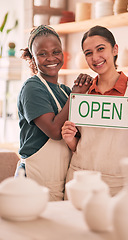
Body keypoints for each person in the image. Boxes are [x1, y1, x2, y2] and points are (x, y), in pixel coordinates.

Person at [61, 25, 128, 197]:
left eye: (100, 49)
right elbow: (81, 145)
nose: (95, 57)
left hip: (118, 184)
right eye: (88, 53)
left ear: (114, 49)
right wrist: (70, 140)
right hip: (80, 179)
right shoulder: (83, 91)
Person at [15, 25, 93, 201]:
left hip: (59, 180)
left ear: (63, 53)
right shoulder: (32, 88)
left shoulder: (65, 91)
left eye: (56, 51)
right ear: (33, 58)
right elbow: (54, 131)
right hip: (34, 181)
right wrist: (76, 97)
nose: (51, 58)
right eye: (42, 53)